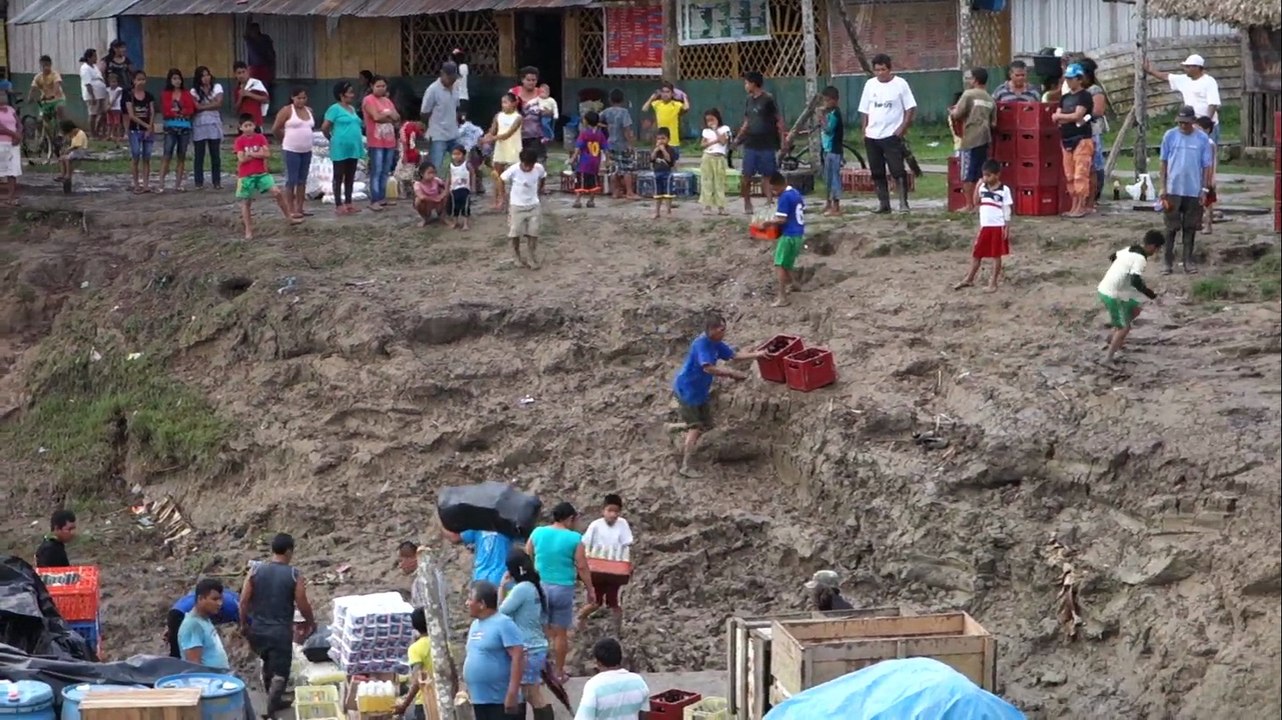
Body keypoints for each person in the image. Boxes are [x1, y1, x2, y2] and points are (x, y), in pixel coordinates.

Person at [668, 314, 764, 478]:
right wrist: (730, 373)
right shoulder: (702, 345)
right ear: (712, 330)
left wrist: (759, 354)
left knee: (706, 425)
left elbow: (734, 356)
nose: (724, 332)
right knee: (696, 428)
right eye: (722, 329)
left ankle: (677, 430)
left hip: (700, 390)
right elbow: (708, 367)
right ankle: (686, 464)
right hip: (688, 390)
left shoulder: (716, 343)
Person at [241, 533, 315, 720]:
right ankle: (270, 709)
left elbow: (243, 601)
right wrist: (310, 621)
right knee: (281, 671)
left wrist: (243, 624)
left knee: (267, 662)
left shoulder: (256, 570)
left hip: (258, 629)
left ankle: (272, 700)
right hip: (280, 631)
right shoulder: (294, 574)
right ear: (289, 551)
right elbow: (302, 602)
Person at [526, 502, 593, 685]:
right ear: (569, 518)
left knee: (540, 631)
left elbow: (527, 557)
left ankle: (540, 672)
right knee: (560, 634)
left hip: (541, 587)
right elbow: (582, 566)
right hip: (563, 588)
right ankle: (559, 673)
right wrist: (590, 589)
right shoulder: (574, 538)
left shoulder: (537, 533)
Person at [858, 53, 917, 214]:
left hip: (891, 134)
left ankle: (903, 203)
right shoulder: (870, 85)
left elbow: (910, 108)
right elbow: (865, 110)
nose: (880, 73)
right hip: (872, 135)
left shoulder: (900, 84)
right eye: (877, 70)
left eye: (883, 70)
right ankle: (884, 203)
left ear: (889, 69)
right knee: (877, 171)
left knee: (897, 169)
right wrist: (864, 129)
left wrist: (902, 128)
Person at [1159, 106, 1214, 275]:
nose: (1183, 126)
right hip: (1173, 189)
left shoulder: (1202, 139)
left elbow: (1206, 166)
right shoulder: (1170, 136)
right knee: (1170, 227)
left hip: (1194, 189)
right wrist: (1163, 186)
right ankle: (1167, 262)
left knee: (1190, 227)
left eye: (1186, 123)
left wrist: (1204, 189)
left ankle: (1188, 261)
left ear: (1193, 122)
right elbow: (1163, 162)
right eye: (1180, 122)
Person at [498, 551, 553, 720]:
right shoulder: (538, 586)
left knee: (531, 694)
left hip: (528, 648)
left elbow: (500, 613)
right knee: (528, 692)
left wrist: (501, 587)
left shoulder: (521, 589)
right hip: (538, 645)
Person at [461, 581, 525, 720]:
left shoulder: (503, 623)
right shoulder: (474, 625)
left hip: (500, 701)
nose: (467, 603)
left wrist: (512, 693)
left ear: (482, 604)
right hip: (480, 700)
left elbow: (518, 657)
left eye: (470, 599)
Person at [1098, 231, 1164, 364]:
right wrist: (1152, 295)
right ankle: (1108, 358)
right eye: (1157, 249)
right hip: (1112, 293)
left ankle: (1114, 337)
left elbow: (1112, 256)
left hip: (1117, 288)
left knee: (1135, 309)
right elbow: (1136, 281)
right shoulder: (1140, 259)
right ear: (1152, 246)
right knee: (1125, 327)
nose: (1157, 252)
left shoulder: (1130, 249)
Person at [577, 494, 633, 637]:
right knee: (595, 602)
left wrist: (627, 563)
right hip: (596, 569)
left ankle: (618, 631)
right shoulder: (596, 525)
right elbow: (585, 544)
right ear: (603, 510)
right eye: (610, 510)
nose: (613, 514)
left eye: (616, 511)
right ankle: (580, 620)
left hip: (615, 570)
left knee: (614, 602)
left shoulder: (622, 524)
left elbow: (626, 545)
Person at [234, 112, 296, 239]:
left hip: (262, 173)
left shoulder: (260, 137)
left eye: (250, 125)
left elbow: (267, 154)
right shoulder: (239, 141)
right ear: (240, 127)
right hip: (246, 175)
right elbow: (241, 159)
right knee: (246, 202)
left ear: (254, 125)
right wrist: (258, 154)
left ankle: (289, 217)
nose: (248, 128)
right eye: (245, 126)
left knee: (277, 192)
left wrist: (251, 154)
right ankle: (248, 230)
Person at [954, 159, 1012, 293]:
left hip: (997, 225)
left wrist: (1007, 226)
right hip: (985, 226)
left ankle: (993, 282)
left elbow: (1006, 209)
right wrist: (978, 186)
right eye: (984, 175)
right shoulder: (982, 187)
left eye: (988, 175)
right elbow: (976, 202)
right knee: (977, 253)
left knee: (996, 255)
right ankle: (969, 278)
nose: (985, 178)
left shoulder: (1004, 190)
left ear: (997, 175)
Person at [737, 72, 784, 214]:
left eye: (746, 83)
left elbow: (778, 120)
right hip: (751, 142)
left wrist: (783, 140)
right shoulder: (748, 100)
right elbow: (747, 121)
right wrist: (738, 137)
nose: (745, 86)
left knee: (768, 176)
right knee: (746, 176)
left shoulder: (768, 99)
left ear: (753, 83)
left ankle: (770, 202)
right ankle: (747, 202)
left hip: (767, 143)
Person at [1145, 54, 1221, 142]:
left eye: (1188, 67)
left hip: (1206, 125)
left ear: (1197, 67)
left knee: (1207, 151)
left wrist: (1205, 124)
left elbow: (1213, 103)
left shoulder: (1209, 81)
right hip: (1190, 123)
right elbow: (1166, 76)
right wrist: (1151, 71)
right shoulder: (1184, 80)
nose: (1185, 69)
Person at [949, 68, 995, 213]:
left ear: (975, 80)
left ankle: (969, 205)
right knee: (982, 173)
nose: (968, 81)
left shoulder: (968, 94)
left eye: (970, 78)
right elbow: (994, 123)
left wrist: (951, 112)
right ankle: (980, 205)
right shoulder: (990, 98)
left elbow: (957, 114)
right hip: (985, 138)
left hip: (970, 138)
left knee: (967, 174)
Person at [1052, 63, 1094, 219]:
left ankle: (1081, 206)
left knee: (1080, 174)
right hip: (1066, 139)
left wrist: (1062, 117)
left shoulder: (1085, 96)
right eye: (1067, 79)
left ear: (1079, 79)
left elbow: (1078, 115)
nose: (1069, 82)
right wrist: (1064, 118)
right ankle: (1073, 205)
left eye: (1071, 79)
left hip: (1082, 139)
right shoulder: (1065, 97)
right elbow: (1057, 116)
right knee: (1069, 175)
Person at [573, 638, 649, 720]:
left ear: (598, 662)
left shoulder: (594, 685)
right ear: (620, 657)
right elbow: (644, 714)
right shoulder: (638, 682)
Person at [761, 172, 805, 308]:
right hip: (798, 234)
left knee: (779, 264)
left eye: (774, 189)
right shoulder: (795, 193)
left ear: (779, 185)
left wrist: (767, 223)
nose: (774, 193)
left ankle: (782, 296)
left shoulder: (784, 197)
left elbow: (782, 219)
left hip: (788, 236)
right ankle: (795, 284)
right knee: (788, 263)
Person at [499, 148, 547, 269]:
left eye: (530, 166)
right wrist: (503, 196)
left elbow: (543, 176)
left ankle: (531, 256)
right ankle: (516, 256)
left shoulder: (538, 168)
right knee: (515, 232)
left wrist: (540, 188)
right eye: (525, 165)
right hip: (517, 206)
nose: (527, 168)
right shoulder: (513, 170)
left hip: (533, 205)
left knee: (533, 232)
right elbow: (501, 179)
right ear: (521, 162)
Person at [273, 88, 315, 221]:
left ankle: (300, 207)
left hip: (306, 150)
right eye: (299, 98)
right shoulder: (286, 110)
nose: (301, 101)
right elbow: (276, 128)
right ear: (292, 97)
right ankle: (290, 209)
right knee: (291, 180)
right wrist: (284, 139)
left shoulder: (309, 111)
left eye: (304, 98)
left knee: (302, 180)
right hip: (291, 150)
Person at [360, 75, 400, 211]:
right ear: (372, 86)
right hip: (376, 141)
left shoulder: (387, 101)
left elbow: (397, 117)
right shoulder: (368, 100)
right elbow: (376, 117)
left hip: (389, 141)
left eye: (383, 86)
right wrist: (389, 116)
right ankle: (374, 200)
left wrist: (388, 116)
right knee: (376, 170)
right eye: (378, 86)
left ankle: (382, 198)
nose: (381, 88)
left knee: (386, 170)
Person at [166, 585, 240, 658]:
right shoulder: (235, 606)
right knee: (182, 652)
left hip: (177, 609)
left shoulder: (230, 596)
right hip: (181, 614)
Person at [322, 81, 362, 215]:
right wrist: (331, 138)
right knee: (339, 175)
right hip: (339, 146)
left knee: (350, 175)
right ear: (341, 95)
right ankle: (338, 204)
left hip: (353, 147)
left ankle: (349, 202)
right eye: (349, 92)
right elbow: (325, 127)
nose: (352, 95)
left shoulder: (352, 109)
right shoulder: (334, 109)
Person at [177, 578, 231, 669]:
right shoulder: (193, 625)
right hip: (208, 681)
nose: (220, 603)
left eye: (221, 599)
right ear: (200, 598)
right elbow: (194, 667)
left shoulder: (204, 620)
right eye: (215, 599)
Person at [420, 62, 463, 175]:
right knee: (436, 166)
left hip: (453, 133)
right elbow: (424, 113)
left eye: (454, 77)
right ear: (442, 74)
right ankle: (435, 190)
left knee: (460, 163)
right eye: (449, 77)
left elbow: (456, 107)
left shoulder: (455, 87)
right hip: (438, 135)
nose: (452, 80)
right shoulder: (432, 90)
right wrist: (429, 128)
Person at [1078, 58, 1109, 210]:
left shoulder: (1095, 91)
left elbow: (1097, 111)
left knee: (1094, 166)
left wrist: (1081, 118)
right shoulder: (1077, 90)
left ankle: (1094, 197)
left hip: (1092, 131)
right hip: (1079, 132)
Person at [394, 608, 436, 720]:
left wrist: (404, 705)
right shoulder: (440, 644)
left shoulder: (415, 648)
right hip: (442, 698)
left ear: (414, 626)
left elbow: (418, 680)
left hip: (424, 702)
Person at [158, 68, 195, 193]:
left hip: (184, 127)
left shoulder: (186, 93)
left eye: (178, 78)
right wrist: (178, 113)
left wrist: (180, 112)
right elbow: (165, 110)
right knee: (167, 153)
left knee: (181, 155)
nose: (177, 81)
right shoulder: (165, 94)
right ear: (170, 80)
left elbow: (190, 109)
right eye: (174, 78)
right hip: (170, 126)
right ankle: (161, 183)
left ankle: (178, 184)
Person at [486, 93, 523, 211]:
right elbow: (492, 130)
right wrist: (486, 137)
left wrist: (493, 138)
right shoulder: (498, 116)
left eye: (506, 102)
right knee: (497, 174)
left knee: (515, 175)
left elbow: (508, 134)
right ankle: (499, 198)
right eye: (502, 102)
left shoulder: (518, 118)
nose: (504, 105)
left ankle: (516, 199)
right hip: (500, 148)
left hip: (514, 148)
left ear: (514, 103)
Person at [190, 66, 225, 190]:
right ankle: (198, 182)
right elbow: (196, 107)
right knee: (199, 154)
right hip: (199, 124)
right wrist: (211, 104)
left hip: (214, 123)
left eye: (207, 75)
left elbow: (219, 103)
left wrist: (203, 105)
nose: (206, 78)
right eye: (203, 76)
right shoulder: (194, 91)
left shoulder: (217, 87)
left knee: (215, 154)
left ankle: (217, 181)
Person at [444, 528, 515, 587]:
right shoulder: (479, 523)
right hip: (495, 578)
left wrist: (439, 515)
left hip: (492, 578)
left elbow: (454, 537)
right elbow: (455, 537)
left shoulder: (479, 522)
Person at [123, 70, 156, 194]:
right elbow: (131, 115)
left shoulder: (149, 96)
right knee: (136, 155)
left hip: (148, 130)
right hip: (134, 130)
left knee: (146, 157)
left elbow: (152, 111)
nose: (141, 82)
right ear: (133, 80)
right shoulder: (129, 96)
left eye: (143, 79)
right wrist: (146, 125)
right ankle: (136, 184)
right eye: (139, 79)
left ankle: (146, 184)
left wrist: (149, 127)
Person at [602, 90, 639, 200]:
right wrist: (631, 144)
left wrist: (606, 126)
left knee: (614, 169)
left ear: (610, 100)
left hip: (610, 143)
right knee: (627, 169)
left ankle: (615, 192)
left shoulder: (606, 112)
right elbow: (626, 129)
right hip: (622, 144)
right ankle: (629, 192)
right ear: (623, 100)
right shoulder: (624, 112)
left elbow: (594, 120)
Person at [571, 110, 606, 209]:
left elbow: (578, 148)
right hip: (595, 162)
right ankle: (591, 201)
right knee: (593, 182)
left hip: (584, 163)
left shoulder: (584, 134)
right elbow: (605, 148)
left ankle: (578, 201)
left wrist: (573, 158)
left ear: (586, 121)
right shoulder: (600, 134)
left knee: (581, 182)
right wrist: (607, 160)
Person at [698, 109, 731, 215]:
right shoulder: (706, 131)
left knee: (719, 183)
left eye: (712, 119)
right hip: (708, 156)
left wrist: (716, 130)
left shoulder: (725, 129)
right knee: (707, 182)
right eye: (708, 120)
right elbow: (702, 145)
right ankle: (707, 206)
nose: (710, 122)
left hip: (719, 157)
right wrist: (714, 141)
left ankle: (721, 207)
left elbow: (723, 142)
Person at [513, 67, 547, 163]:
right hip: (517, 133)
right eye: (528, 80)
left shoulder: (541, 93)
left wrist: (545, 112)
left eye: (534, 80)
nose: (531, 82)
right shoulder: (514, 92)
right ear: (522, 80)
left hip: (537, 134)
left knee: (538, 162)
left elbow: (549, 109)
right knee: (518, 161)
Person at [1195, 115, 1218, 234]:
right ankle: (1199, 223)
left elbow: (1212, 162)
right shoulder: (1198, 142)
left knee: (1208, 203)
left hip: (1207, 177)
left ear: (1207, 130)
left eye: (1199, 128)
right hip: (1198, 177)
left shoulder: (1209, 143)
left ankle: (1208, 225)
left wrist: (1212, 177)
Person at [29, 55, 65, 127]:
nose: (45, 67)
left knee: (59, 110)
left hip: (57, 99)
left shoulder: (55, 75)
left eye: (47, 65)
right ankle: (44, 135)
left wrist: (53, 94)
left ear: (50, 65)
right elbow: (33, 88)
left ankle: (61, 132)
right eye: (43, 65)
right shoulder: (38, 77)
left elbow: (57, 85)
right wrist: (30, 97)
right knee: (41, 119)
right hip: (45, 101)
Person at [0, 82, 21, 207]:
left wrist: (19, 133)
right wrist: (13, 134)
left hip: (13, 145)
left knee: (12, 171)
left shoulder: (11, 109)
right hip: (1, 143)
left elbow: (19, 123)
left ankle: (11, 197)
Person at [233, 61, 269, 132]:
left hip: (256, 121)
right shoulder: (237, 89)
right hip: (243, 123)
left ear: (248, 72)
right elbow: (236, 109)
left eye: (243, 72)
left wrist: (249, 94)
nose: (242, 75)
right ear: (235, 75)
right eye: (239, 73)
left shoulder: (256, 84)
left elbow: (266, 99)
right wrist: (241, 96)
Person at [80, 49, 108, 139]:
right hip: (93, 94)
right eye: (94, 56)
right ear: (89, 58)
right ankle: (93, 133)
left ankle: (97, 130)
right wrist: (92, 96)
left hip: (101, 93)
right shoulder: (85, 68)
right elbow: (88, 84)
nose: (96, 58)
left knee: (103, 113)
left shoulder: (94, 67)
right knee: (93, 114)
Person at [651, 128, 679, 219]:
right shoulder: (655, 149)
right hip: (657, 173)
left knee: (668, 194)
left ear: (668, 139)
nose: (661, 141)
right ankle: (657, 212)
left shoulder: (670, 149)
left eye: (663, 138)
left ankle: (668, 211)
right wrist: (655, 150)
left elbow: (669, 160)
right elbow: (651, 159)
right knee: (657, 194)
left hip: (667, 173)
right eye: (658, 139)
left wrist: (663, 150)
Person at [57, 120, 89, 193]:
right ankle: (63, 175)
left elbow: (77, 146)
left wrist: (67, 150)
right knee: (61, 159)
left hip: (80, 151)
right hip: (75, 152)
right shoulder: (73, 134)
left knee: (67, 158)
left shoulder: (80, 133)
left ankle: (67, 175)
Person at [447, 145, 475, 230]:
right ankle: (455, 222)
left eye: (458, 154)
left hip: (465, 189)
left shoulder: (467, 164)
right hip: (454, 189)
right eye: (454, 154)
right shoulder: (451, 165)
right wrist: (447, 188)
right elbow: (449, 176)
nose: (456, 156)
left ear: (463, 154)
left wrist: (473, 186)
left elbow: (473, 174)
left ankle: (465, 224)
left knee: (465, 207)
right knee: (455, 206)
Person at [244, 22, 277, 93]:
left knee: (265, 88)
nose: (254, 31)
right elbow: (246, 34)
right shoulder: (250, 40)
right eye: (252, 30)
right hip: (253, 67)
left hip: (264, 66)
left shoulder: (264, 38)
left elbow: (271, 54)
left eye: (256, 29)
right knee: (253, 87)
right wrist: (249, 17)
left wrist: (272, 69)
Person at [104, 41, 134, 109]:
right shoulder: (107, 60)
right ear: (115, 48)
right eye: (122, 47)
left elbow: (132, 73)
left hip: (126, 89)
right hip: (112, 90)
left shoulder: (127, 60)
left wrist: (133, 87)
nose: (124, 49)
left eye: (124, 47)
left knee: (125, 110)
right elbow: (101, 74)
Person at [451, 48, 471, 117]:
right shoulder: (464, 67)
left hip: (454, 99)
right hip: (464, 98)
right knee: (462, 120)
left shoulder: (452, 68)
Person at [106, 73, 124, 143]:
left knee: (117, 123)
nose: (113, 84)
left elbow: (115, 98)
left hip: (117, 108)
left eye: (115, 82)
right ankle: (109, 135)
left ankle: (118, 136)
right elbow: (107, 98)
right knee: (109, 123)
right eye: (112, 82)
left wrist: (109, 106)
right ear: (109, 82)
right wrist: (107, 105)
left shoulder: (119, 89)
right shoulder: (107, 89)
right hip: (109, 108)